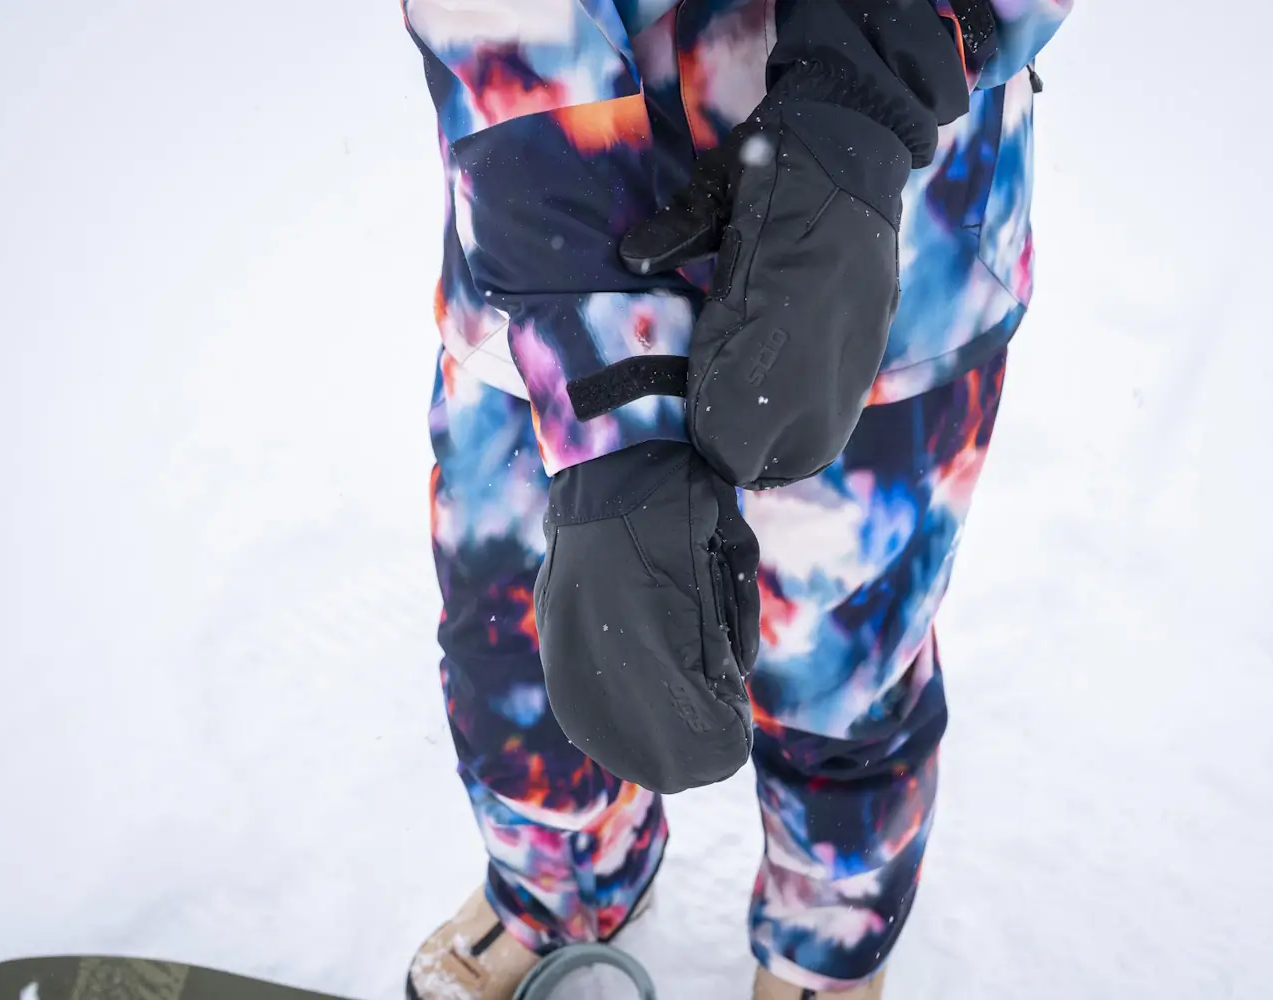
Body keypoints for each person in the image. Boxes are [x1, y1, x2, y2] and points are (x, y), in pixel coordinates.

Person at [401, 1, 1072, 997]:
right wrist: (608, 395)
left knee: (840, 665)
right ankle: (564, 885)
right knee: (531, 639)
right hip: (544, 238)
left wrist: (864, 84)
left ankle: (823, 942)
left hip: (882, 241)